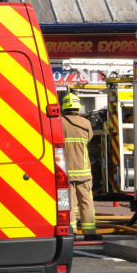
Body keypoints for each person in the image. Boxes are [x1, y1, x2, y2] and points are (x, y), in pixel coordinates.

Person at [61, 91, 97, 240]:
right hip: (84, 172)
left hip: (65, 172)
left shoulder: (59, 122)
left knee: (69, 203)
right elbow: (89, 139)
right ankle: (90, 233)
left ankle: (72, 232)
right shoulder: (86, 123)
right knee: (86, 202)